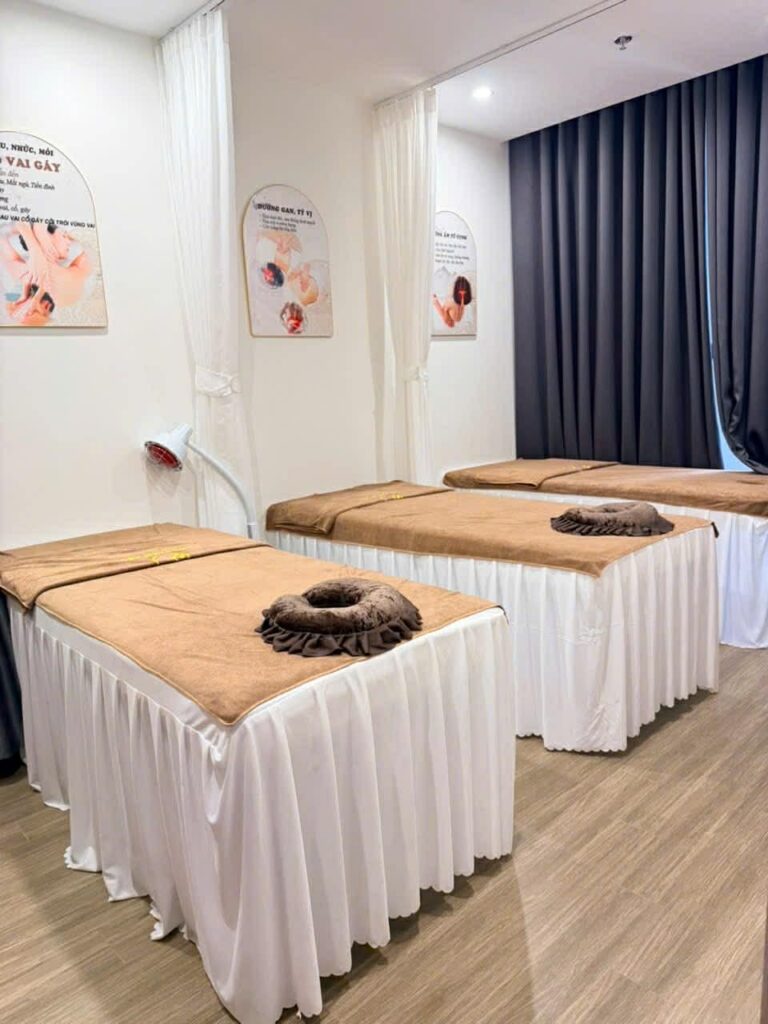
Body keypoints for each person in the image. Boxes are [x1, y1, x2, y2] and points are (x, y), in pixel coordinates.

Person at [1, 220, 92, 326]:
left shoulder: (22, 273)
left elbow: (3, 234)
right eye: (64, 236)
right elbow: (89, 247)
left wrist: (36, 245)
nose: (69, 242)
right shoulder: (71, 282)